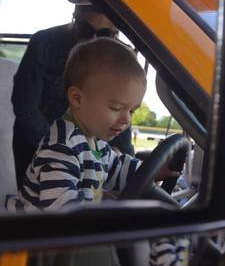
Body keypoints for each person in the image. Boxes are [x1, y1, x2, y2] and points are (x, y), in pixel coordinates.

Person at [12, 38, 152, 211]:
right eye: (116, 108)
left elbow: (119, 168)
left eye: (132, 111)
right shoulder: (61, 149)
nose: (127, 120)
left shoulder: (96, 142)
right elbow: (65, 213)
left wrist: (153, 170)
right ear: (77, 98)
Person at [11, 0, 133, 190]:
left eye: (103, 35)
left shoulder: (119, 56)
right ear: (74, 17)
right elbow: (25, 107)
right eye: (86, 30)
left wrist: (128, 161)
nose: (93, 41)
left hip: (93, 151)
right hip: (36, 147)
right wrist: (62, 150)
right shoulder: (44, 43)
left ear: (115, 34)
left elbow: (120, 113)